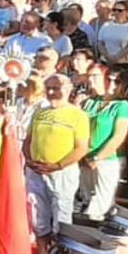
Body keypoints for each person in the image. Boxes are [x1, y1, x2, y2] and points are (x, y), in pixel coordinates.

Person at [29, 74, 91, 227]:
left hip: (62, 173)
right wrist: (29, 161)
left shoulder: (78, 115)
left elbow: (81, 148)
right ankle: (41, 249)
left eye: (55, 89)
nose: (50, 93)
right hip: (37, 171)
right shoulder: (39, 112)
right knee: (37, 218)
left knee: (61, 217)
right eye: (48, 88)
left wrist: (58, 165)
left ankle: (61, 248)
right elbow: (28, 139)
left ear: (68, 90)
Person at [81, 65, 128, 220]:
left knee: (99, 204)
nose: (112, 85)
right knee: (86, 198)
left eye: (116, 82)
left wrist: (99, 157)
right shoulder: (90, 102)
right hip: (85, 157)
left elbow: (118, 136)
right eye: (108, 80)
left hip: (107, 159)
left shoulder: (122, 106)